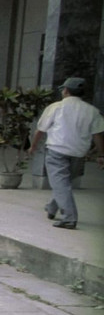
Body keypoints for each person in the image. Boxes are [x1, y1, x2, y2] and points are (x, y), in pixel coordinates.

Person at [29, 76, 104, 230]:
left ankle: (69, 217)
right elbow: (97, 135)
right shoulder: (92, 111)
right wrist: (101, 155)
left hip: (57, 150)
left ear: (66, 91)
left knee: (60, 184)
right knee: (64, 183)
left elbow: (40, 130)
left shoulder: (55, 107)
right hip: (78, 153)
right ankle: (51, 207)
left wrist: (33, 146)